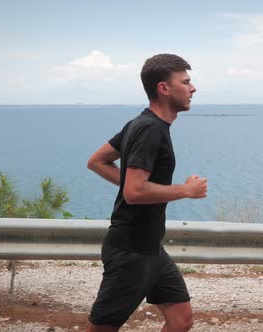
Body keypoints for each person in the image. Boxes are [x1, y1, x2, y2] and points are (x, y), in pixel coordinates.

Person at [86, 53, 207, 332]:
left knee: (181, 318)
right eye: (186, 82)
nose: (193, 88)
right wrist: (185, 190)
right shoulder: (149, 129)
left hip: (150, 247)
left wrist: (134, 186)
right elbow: (134, 192)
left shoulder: (141, 124)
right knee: (103, 329)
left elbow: (97, 162)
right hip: (131, 250)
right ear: (164, 88)